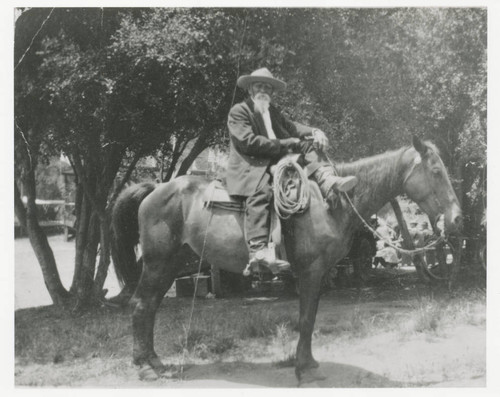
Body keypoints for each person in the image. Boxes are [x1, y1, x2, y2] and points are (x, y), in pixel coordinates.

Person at [226, 68, 358, 269]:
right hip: (251, 165)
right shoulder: (239, 111)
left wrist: (315, 131)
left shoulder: (272, 111)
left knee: (308, 144)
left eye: (267, 87)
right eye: (259, 86)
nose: (263, 90)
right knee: (262, 189)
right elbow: (248, 142)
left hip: (273, 160)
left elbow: (293, 127)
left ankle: (327, 177)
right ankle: (258, 250)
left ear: (272, 92)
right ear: (250, 88)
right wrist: (285, 143)